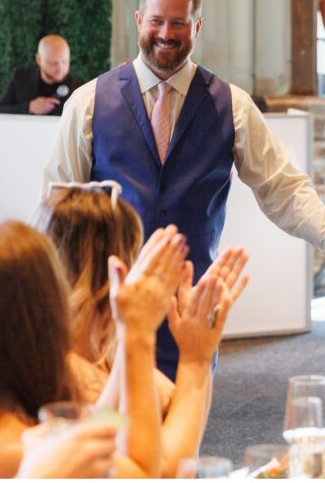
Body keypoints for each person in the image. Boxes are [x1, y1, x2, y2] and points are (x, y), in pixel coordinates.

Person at [44, 0, 325, 378]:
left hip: (191, 313)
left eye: (178, 22)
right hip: (106, 313)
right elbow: (57, 208)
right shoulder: (88, 102)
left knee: (184, 435)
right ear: (138, 20)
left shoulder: (233, 106)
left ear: (197, 26)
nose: (165, 33)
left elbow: (285, 189)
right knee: (111, 437)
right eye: (156, 20)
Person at [0, 220, 184, 478]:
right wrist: (140, 334)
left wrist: (128, 333)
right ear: (44, 323)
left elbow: (95, 425)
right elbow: (145, 475)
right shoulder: (6, 451)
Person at [33, 182, 249, 477]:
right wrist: (193, 359)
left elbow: (173, 434)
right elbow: (159, 471)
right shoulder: (61, 373)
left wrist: (196, 351)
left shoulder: (102, 359)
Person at [0, 34, 83, 116]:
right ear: (39, 59)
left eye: (65, 62)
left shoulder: (78, 88)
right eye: (53, 63)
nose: (60, 68)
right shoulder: (21, 78)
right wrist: (29, 107)